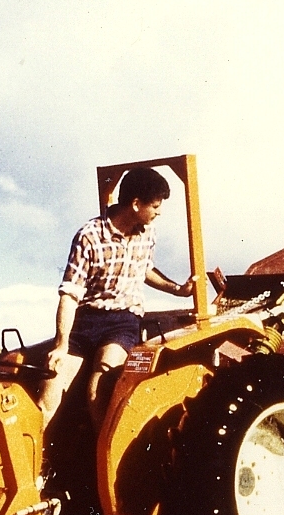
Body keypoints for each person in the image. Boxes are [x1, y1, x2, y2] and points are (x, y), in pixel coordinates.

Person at [40, 167, 196, 427]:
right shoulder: (89, 236)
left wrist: (177, 290)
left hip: (123, 322)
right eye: (155, 206)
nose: (159, 212)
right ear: (136, 204)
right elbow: (69, 294)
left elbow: (144, 269)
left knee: (98, 392)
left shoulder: (148, 233)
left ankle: (101, 464)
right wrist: (61, 343)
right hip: (85, 321)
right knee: (50, 392)